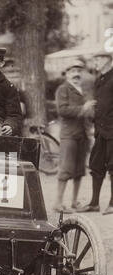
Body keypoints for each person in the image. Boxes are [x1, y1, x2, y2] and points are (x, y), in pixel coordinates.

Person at [53, 59, 94, 213]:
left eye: (79, 71)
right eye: (72, 71)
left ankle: (74, 202)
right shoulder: (62, 90)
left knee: (79, 170)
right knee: (65, 169)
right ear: (66, 74)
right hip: (68, 135)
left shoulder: (83, 90)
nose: (76, 74)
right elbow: (62, 110)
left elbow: (88, 112)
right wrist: (83, 109)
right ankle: (57, 203)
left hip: (82, 134)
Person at [78, 50, 113, 215]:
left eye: (99, 59)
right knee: (96, 165)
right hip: (100, 130)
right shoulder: (100, 79)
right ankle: (94, 203)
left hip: (112, 129)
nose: (96, 62)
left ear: (108, 60)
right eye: (95, 59)